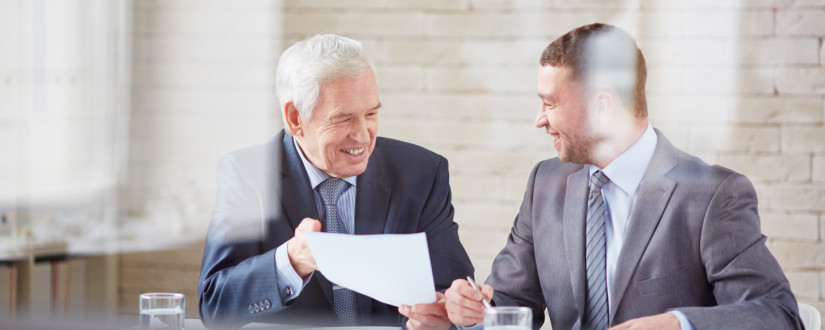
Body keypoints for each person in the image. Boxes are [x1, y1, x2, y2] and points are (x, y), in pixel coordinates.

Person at [444, 23, 802, 330]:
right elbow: (511, 300)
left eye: (550, 104)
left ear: (602, 105)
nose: (539, 119)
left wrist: (677, 323)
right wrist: (475, 308)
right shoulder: (546, 184)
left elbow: (778, 314)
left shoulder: (711, 195)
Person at [198, 34, 474, 329]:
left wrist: (447, 314)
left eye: (370, 114)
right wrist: (291, 261)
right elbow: (215, 306)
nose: (363, 135)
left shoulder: (421, 172)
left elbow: (451, 292)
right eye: (343, 119)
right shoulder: (248, 174)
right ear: (294, 118)